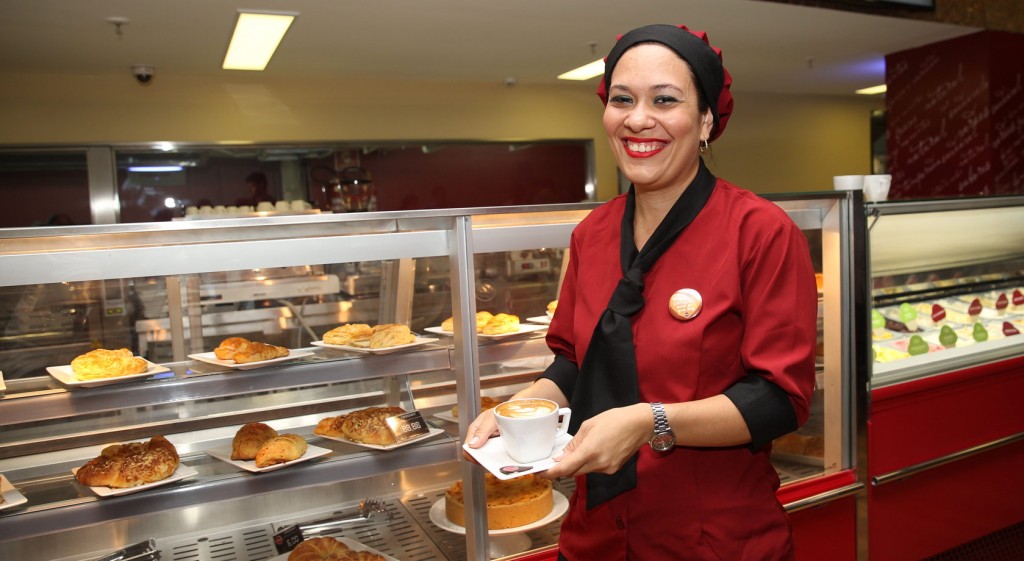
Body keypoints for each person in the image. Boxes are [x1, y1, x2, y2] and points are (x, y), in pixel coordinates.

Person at [465, 24, 818, 560]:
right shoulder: (592, 234)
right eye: (622, 99)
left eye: (665, 100)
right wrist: (520, 408)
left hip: (712, 539)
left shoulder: (760, 231)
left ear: (706, 121)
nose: (636, 118)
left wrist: (649, 422)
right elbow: (575, 361)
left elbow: (779, 399)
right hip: (596, 536)